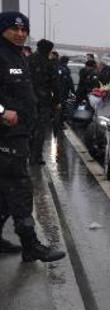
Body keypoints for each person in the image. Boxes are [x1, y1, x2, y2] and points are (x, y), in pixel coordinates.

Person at [0, 11, 65, 262]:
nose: (20, 33)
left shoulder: (18, 55)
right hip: (7, 136)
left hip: (20, 134)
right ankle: (31, 245)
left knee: (6, 192)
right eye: (14, 29)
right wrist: (3, 112)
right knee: (20, 189)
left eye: (23, 29)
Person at [28, 38, 60, 165]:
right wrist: (56, 101)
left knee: (29, 127)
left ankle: (29, 154)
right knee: (40, 129)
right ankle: (36, 157)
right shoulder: (49, 63)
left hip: (27, 100)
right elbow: (55, 84)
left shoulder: (28, 60)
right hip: (43, 101)